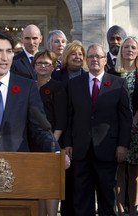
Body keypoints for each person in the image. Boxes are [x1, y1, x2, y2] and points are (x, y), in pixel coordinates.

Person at [64, 43, 132, 216]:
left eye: (98, 57)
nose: (94, 59)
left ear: (105, 60)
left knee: (107, 199)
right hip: (81, 150)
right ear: (87, 60)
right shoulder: (74, 84)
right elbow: (69, 117)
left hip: (108, 150)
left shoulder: (118, 83)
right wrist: (68, 144)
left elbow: (125, 119)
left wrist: (123, 145)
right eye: (91, 56)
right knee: (81, 199)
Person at [52, 39, 87, 216]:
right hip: (61, 134)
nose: (78, 57)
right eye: (74, 53)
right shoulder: (57, 77)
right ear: (66, 56)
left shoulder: (87, 77)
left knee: (79, 182)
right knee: (64, 181)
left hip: (82, 137)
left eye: (81, 54)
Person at [34, 50, 67, 216]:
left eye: (47, 63)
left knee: (51, 184)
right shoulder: (30, 87)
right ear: (34, 66)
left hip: (51, 143)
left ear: (53, 67)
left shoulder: (57, 87)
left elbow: (61, 119)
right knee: (37, 185)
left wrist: (53, 143)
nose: (43, 66)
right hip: (32, 144)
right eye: (39, 63)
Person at [114, 36, 138, 216]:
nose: (130, 50)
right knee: (119, 169)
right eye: (126, 47)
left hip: (137, 130)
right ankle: (119, 209)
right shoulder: (113, 72)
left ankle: (133, 210)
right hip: (117, 129)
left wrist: (136, 119)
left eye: (133, 47)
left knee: (134, 171)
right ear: (121, 50)